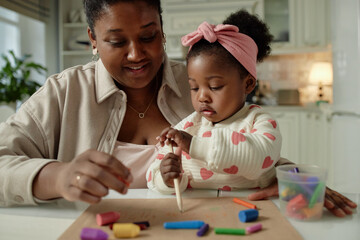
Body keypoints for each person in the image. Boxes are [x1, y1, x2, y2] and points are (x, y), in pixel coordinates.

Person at [0, 0, 355, 217]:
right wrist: (58, 177)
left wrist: (292, 177)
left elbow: (246, 144)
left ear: (164, 31)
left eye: (149, 36)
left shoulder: (200, 81)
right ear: (93, 39)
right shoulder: (64, 92)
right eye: (117, 41)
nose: (137, 54)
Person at [147, 10, 283, 193]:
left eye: (215, 86)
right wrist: (167, 179)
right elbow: (153, 172)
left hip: (253, 209)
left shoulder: (259, 121)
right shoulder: (189, 126)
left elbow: (260, 158)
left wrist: (194, 146)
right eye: (194, 88)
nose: (202, 97)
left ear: (248, 84)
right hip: (200, 210)